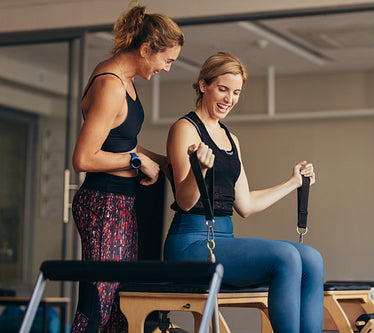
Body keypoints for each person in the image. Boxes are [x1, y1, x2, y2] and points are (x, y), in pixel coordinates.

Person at [163, 52, 324, 333]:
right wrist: (197, 170)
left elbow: (246, 204)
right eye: (223, 89)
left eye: (236, 92)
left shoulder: (230, 139)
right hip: (191, 244)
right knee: (285, 256)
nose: (229, 99)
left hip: (223, 240)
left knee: (311, 257)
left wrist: (293, 182)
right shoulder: (185, 129)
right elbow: (184, 201)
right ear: (204, 85)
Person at [71, 4, 184, 332]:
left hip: (121, 202)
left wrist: (160, 162)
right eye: (167, 60)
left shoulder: (124, 80)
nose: (166, 68)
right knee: (97, 306)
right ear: (146, 49)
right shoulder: (111, 84)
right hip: (103, 203)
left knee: (121, 307)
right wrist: (137, 161)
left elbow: (120, 143)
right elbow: (84, 158)